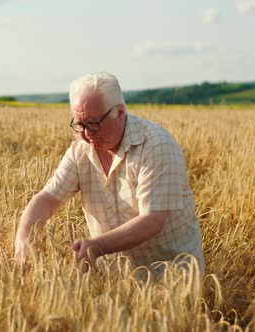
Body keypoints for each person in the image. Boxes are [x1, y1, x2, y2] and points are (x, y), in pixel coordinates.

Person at [14, 72, 205, 277]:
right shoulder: (80, 151)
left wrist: (96, 247)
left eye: (93, 124)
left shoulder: (156, 145)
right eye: (80, 125)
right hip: (113, 277)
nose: (86, 135)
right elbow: (46, 199)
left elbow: (152, 220)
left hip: (168, 274)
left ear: (120, 112)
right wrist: (24, 240)